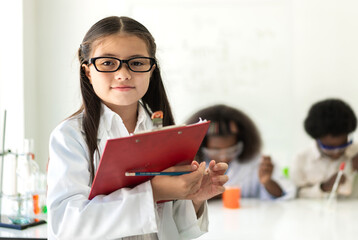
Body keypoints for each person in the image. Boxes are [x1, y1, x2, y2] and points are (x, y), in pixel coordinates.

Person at [47, 16, 228, 240]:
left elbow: (176, 231)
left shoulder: (163, 131)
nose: (123, 74)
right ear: (88, 72)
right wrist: (155, 191)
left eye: (137, 63)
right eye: (107, 63)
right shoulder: (71, 136)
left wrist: (195, 198)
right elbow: (66, 226)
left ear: (152, 70)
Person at [290, 98, 358, 199]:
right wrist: (323, 187)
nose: (336, 153)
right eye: (329, 147)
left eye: (342, 146)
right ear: (317, 138)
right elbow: (296, 194)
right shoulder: (302, 159)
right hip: (318, 218)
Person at [186, 104, 293, 200]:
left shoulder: (257, 163)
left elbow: (283, 194)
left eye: (231, 150)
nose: (223, 158)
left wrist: (267, 182)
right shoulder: (190, 166)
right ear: (201, 146)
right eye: (215, 151)